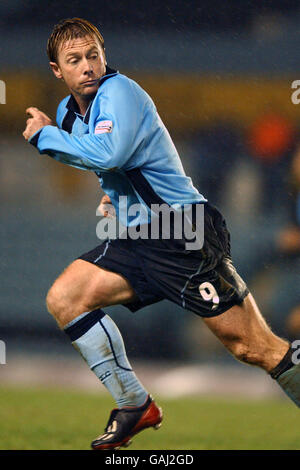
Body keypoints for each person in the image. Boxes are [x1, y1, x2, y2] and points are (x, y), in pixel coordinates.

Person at [23, 18, 299, 451]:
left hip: (182, 231)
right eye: (74, 60)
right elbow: (104, 165)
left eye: (93, 55)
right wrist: (113, 196)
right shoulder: (66, 112)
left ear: (104, 55)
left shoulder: (122, 92)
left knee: (253, 348)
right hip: (137, 235)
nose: (88, 66)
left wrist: (45, 138)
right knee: (66, 299)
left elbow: (112, 152)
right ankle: (134, 404)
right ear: (58, 70)